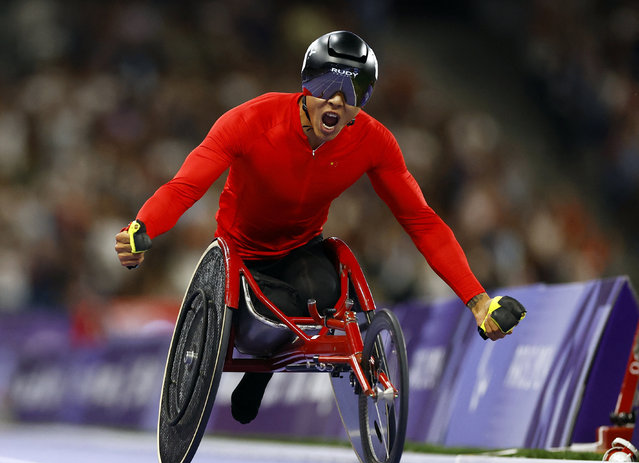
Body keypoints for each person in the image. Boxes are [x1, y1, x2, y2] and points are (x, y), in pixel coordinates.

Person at [114, 31, 525, 424]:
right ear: (307, 85)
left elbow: (421, 220)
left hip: (301, 249)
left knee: (325, 295)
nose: (337, 100)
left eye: (354, 91)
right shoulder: (251, 120)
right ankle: (261, 369)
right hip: (241, 254)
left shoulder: (373, 142)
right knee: (280, 310)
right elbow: (186, 185)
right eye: (328, 84)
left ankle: (263, 367)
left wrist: (478, 301)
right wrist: (143, 226)